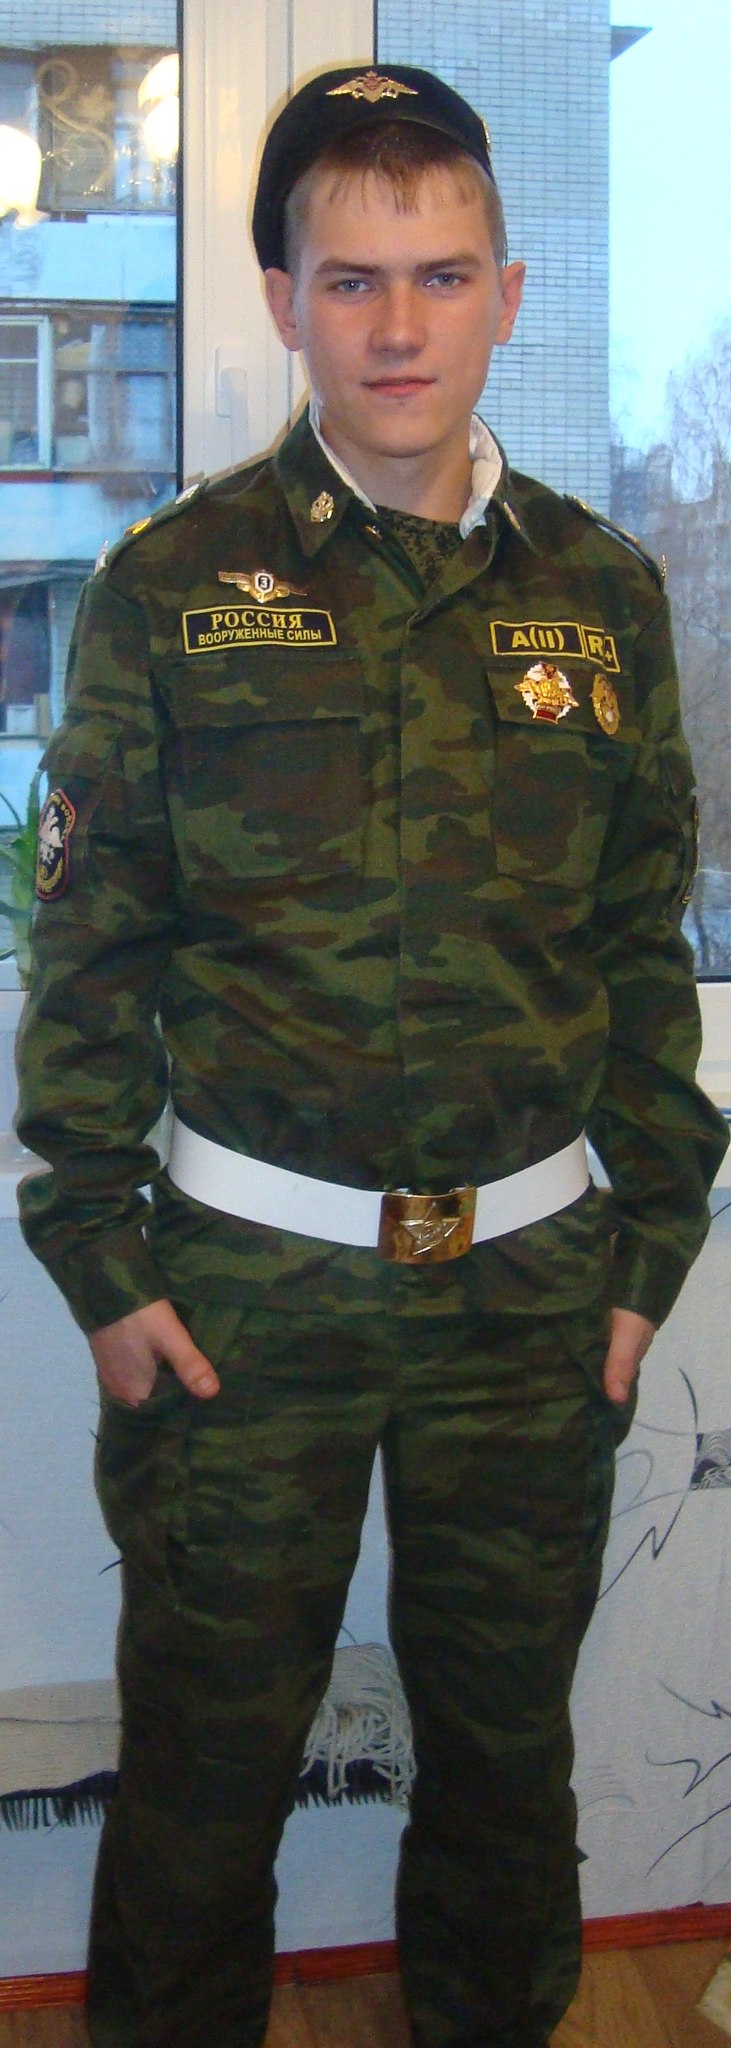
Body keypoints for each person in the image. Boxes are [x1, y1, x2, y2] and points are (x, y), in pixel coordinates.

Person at [15, 61, 728, 2048]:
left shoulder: (601, 594)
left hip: (530, 1289)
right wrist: (101, 1259)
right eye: (351, 280)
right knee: (202, 1775)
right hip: (243, 1296)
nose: (398, 326)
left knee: (504, 1772)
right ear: (285, 299)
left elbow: (639, 948)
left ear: (505, 292)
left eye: (440, 275)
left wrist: (644, 1253)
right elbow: (91, 949)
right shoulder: (171, 592)